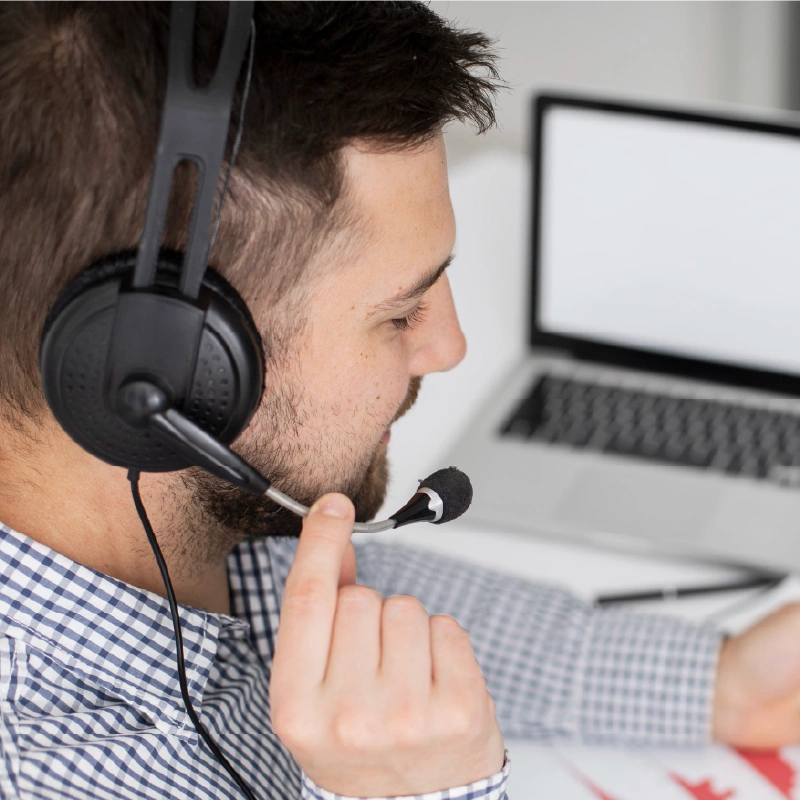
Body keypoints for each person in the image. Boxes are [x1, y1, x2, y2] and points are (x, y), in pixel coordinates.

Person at [2, 1, 800, 798]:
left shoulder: (209, 531)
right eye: (400, 311)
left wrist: (724, 682)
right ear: (161, 365)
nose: (448, 347)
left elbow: (350, 607)